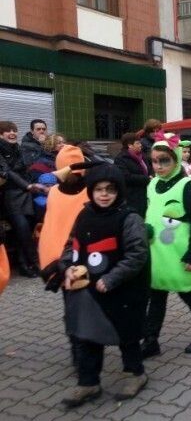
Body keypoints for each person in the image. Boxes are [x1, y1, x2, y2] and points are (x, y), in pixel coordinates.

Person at [60, 165, 150, 407]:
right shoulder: (84, 215)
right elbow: (71, 245)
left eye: (110, 189)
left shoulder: (129, 218)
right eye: (99, 189)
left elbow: (137, 254)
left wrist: (112, 278)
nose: (104, 194)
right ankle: (88, 382)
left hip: (121, 290)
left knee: (126, 334)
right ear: (91, 191)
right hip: (88, 291)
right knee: (86, 334)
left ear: (118, 192)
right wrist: (67, 266)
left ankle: (136, 374)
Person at [142, 132, 191, 358]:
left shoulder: (187, 185)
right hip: (157, 253)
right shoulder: (153, 184)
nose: (158, 166)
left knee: (187, 293)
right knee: (156, 295)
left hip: (179, 254)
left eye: (164, 161)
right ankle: (151, 340)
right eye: (154, 161)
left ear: (175, 160)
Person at [38, 144, 91, 367]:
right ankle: (79, 353)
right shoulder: (56, 194)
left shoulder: (90, 191)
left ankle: (83, 351)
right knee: (74, 307)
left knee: (80, 307)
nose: (74, 174)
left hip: (83, 258)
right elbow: (52, 227)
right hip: (65, 261)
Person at [0, 121, 47, 277]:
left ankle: (24, 265)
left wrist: (33, 185)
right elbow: (7, 172)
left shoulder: (18, 148)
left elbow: (27, 169)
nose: (12, 133)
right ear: (1, 135)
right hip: (10, 194)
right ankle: (33, 263)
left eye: (14, 130)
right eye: (8, 131)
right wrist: (27, 186)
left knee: (25, 229)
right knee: (22, 229)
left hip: (25, 192)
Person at [114, 132, 150, 217]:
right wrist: (146, 179)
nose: (141, 145)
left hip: (146, 194)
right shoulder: (121, 159)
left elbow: (149, 169)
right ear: (130, 145)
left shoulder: (142, 156)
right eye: (138, 143)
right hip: (133, 197)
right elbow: (126, 177)